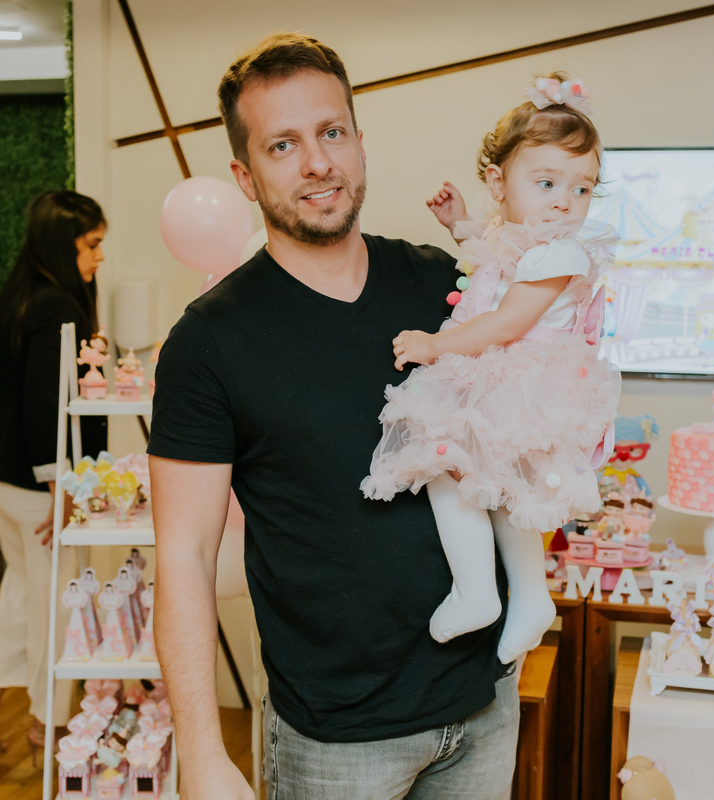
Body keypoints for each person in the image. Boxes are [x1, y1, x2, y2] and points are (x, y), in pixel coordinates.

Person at [148, 33, 517, 800]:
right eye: (283, 145)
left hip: (483, 706)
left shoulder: (443, 283)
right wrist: (203, 753)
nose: (317, 162)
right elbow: (182, 553)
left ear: (356, 140)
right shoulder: (209, 341)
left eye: (331, 132)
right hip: (336, 739)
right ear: (246, 178)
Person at [361, 74, 621, 663]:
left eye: (583, 189)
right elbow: (496, 253)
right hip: (510, 377)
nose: (564, 201)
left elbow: (505, 322)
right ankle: (528, 596)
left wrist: (434, 345)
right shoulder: (530, 242)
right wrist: (459, 225)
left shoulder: (560, 251)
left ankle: (478, 590)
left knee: (446, 464)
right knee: (501, 490)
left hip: (514, 376)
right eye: (548, 182)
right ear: (497, 184)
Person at [0, 191, 108, 763]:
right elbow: (48, 406)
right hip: (31, 485)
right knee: (56, 606)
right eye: (91, 245)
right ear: (61, 243)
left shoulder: (21, 295)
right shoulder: (57, 306)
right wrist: (61, 489)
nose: (98, 257)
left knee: (24, 592)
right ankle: (51, 727)